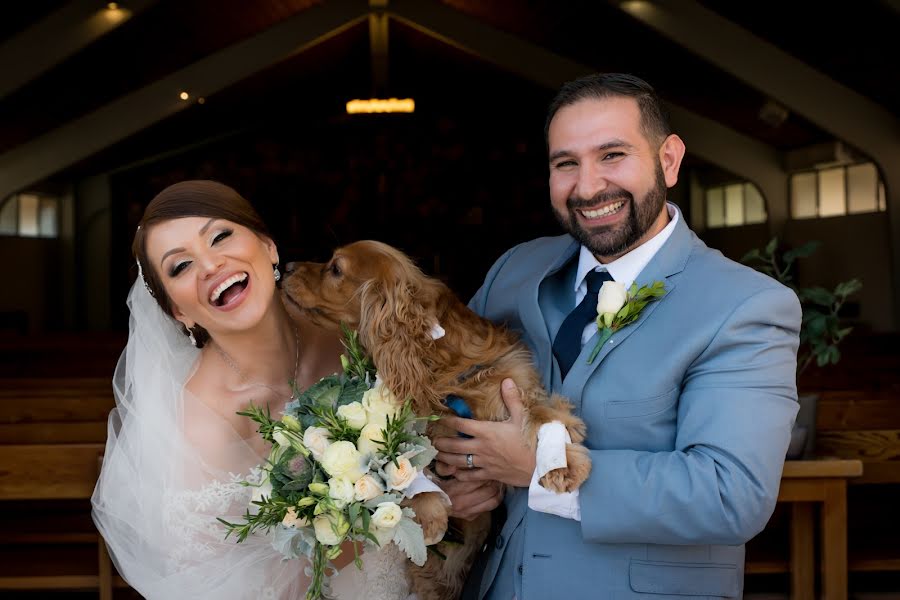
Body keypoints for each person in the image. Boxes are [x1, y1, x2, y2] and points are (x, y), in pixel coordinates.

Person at [434, 74, 801, 599]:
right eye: (566, 164)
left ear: (668, 160)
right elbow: (447, 394)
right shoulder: (515, 269)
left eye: (612, 155)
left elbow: (730, 496)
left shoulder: (745, 305)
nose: (587, 188)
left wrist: (535, 466)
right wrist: (454, 478)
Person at [91, 181, 377, 599]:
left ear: (268, 246)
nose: (210, 265)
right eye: (180, 266)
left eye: (220, 236)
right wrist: (391, 509)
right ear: (178, 311)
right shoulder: (200, 424)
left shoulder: (355, 329)